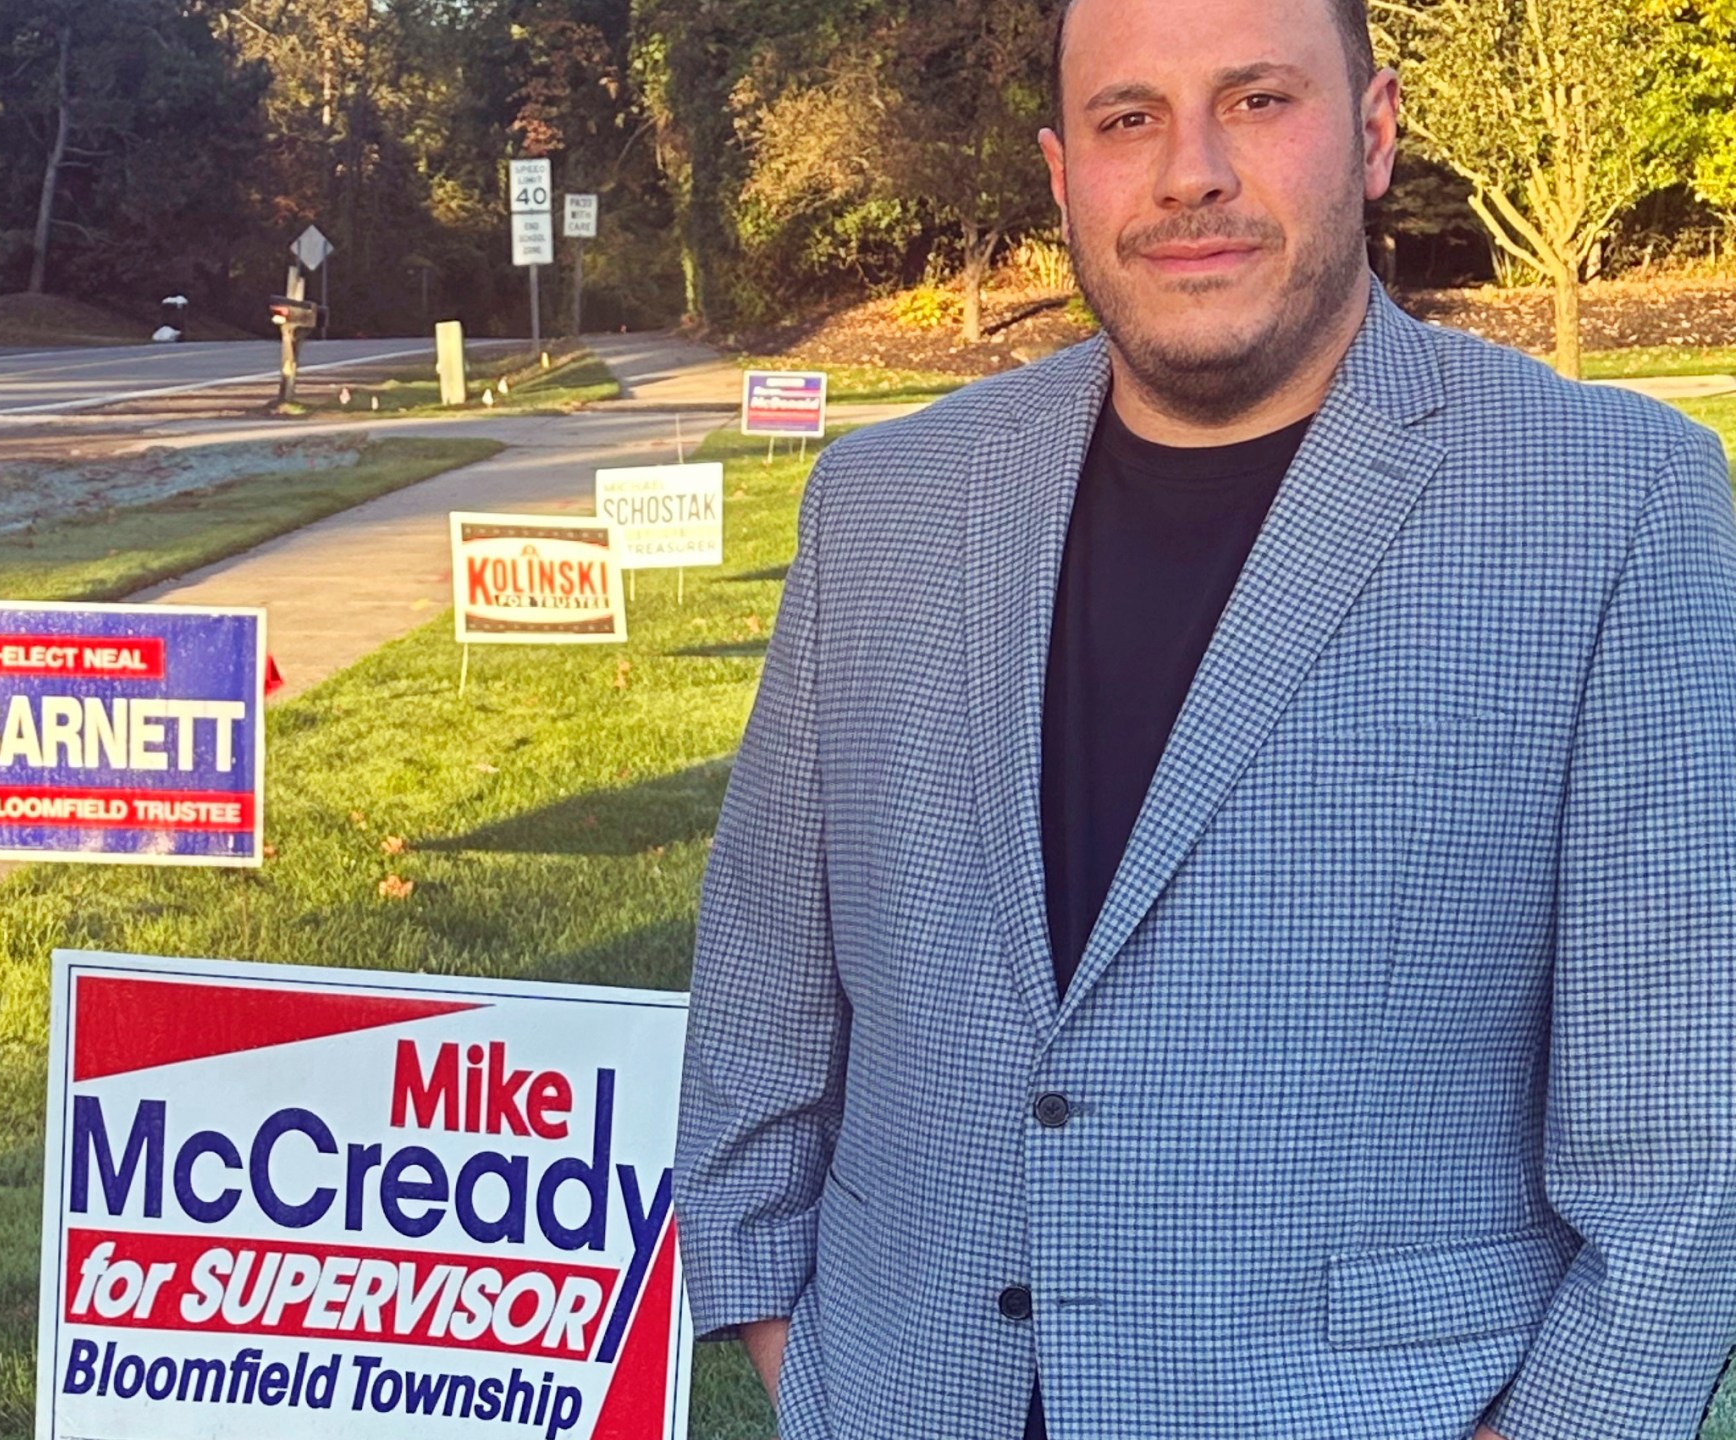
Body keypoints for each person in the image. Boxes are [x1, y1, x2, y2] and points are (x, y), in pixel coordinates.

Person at [673, 0, 1736, 1434]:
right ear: (1062, 175)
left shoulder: (1613, 506)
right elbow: (761, 996)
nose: (1190, 174)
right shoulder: (884, 512)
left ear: (1371, 132)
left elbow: (1687, 1132)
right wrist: (791, 1353)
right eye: (1129, 120)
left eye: (1256, 101)